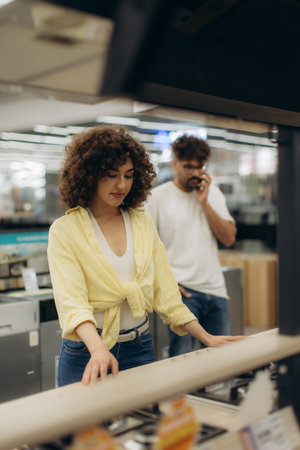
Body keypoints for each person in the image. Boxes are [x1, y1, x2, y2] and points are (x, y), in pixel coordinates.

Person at [47, 126, 243, 387]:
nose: (122, 185)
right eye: (111, 175)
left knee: (142, 427)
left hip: (138, 348)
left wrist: (206, 337)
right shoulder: (65, 230)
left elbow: (167, 296)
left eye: (129, 175)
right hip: (86, 352)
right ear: (90, 174)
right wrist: (97, 350)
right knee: (85, 429)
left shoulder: (141, 222)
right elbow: (72, 303)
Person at [146, 134, 237, 357]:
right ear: (175, 164)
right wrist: (165, 282)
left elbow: (228, 238)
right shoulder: (157, 197)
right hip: (183, 294)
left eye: (200, 167)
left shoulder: (212, 193)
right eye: (188, 166)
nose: (196, 173)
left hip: (216, 290)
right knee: (182, 363)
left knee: (219, 361)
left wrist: (204, 203)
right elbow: (145, 247)